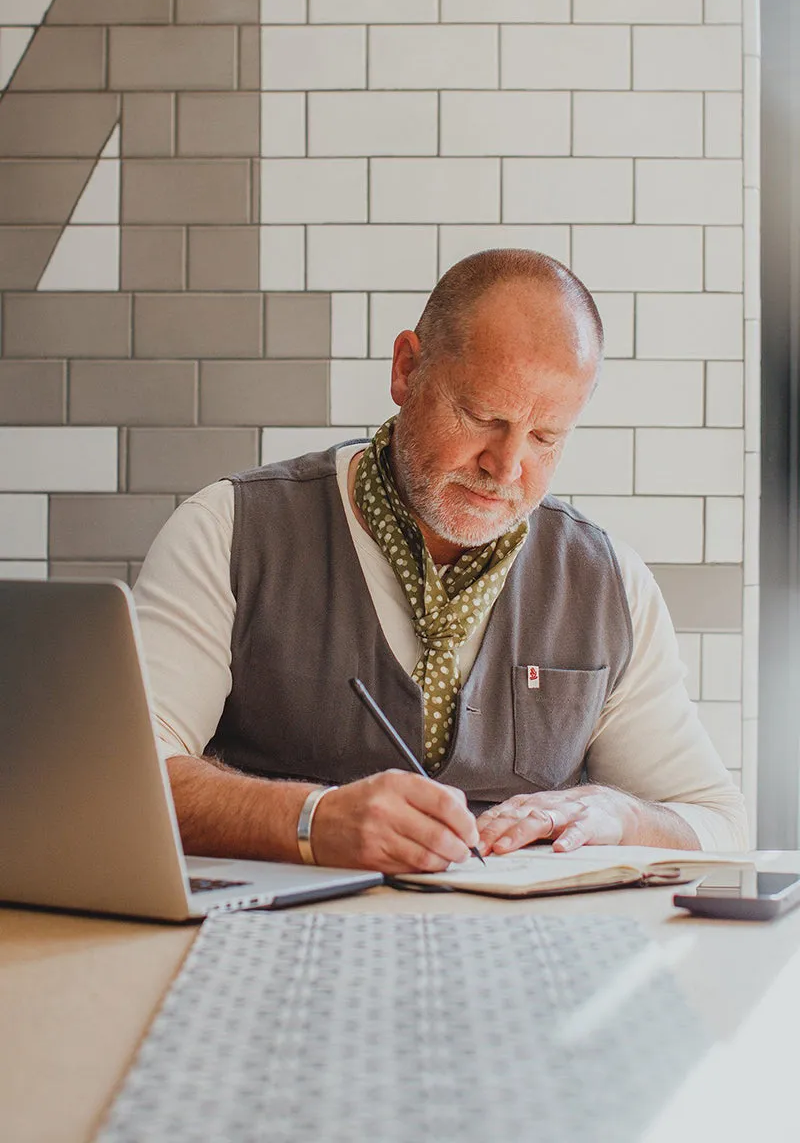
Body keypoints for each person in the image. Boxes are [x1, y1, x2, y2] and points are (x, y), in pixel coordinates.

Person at [133, 249, 748, 874]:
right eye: (483, 417)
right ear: (407, 370)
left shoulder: (610, 584)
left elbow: (719, 820)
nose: (505, 468)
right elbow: (122, 776)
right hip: (272, 954)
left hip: (526, 962)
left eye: (545, 437)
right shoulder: (228, 530)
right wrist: (311, 820)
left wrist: (622, 816)